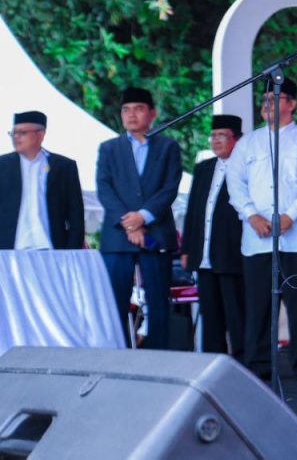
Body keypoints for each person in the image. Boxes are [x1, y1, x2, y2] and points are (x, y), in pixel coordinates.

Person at [226, 78, 297, 382]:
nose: (267, 105)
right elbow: (235, 183)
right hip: (257, 238)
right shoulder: (247, 143)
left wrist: (291, 215)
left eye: (275, 99)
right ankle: (259, 366)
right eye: (264, 100)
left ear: (292, 104)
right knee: (258, 305)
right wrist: (251, 215)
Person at [96, 87, 183, 350]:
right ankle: (117, 355)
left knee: (158, 301)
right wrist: (130, 223)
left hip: (155, 234)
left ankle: (159, 357)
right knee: (115, 303)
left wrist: (143, 217)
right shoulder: (109, 148)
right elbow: (104, 188)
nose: (131, 114)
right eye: (126, 109)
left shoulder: (168, 147)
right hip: (117, 237)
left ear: (152, 113)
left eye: (138, 108)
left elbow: (170, 187)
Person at [180, 114, 246, 359]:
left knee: (236, 312)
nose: (215, 141)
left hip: (231, 253)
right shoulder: (203, 168)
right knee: (210, 314)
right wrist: (187, 249)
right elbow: (194, 211)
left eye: (222, 136)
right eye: (213, 136)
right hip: (203, 253)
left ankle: (242, 362)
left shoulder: (245, 166)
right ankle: (212, 362)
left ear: (237, 139)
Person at [0, 111, 85, 250]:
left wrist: (71, 250)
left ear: (40, 134)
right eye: (13, 133)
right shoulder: (3, 166)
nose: (16, 137)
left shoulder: (64, 167)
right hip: (8, 251)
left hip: (52, 249)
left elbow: (76, 214)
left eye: (22, 133)